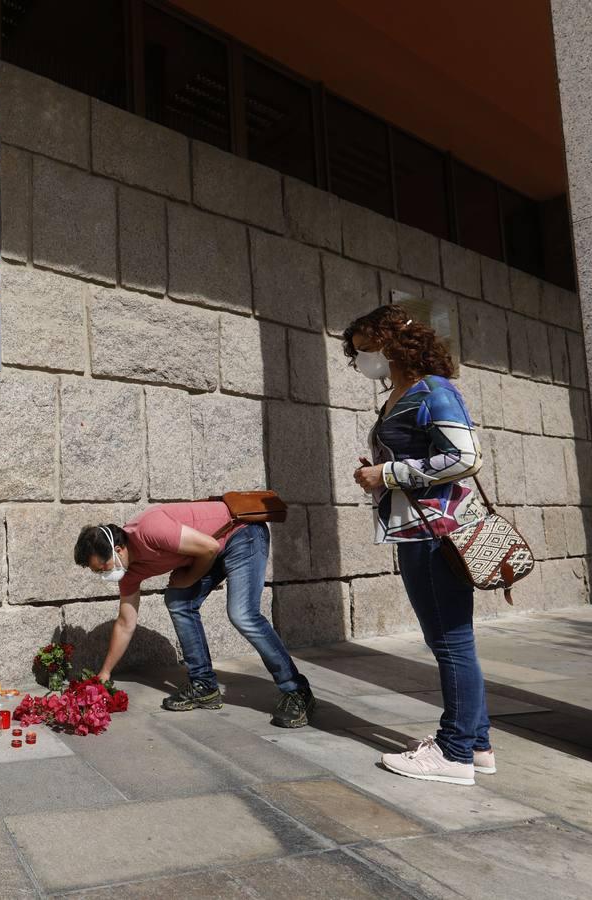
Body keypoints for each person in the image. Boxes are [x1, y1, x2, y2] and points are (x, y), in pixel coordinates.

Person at [344, 304, 493, 786]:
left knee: (450, 643)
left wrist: (385, 473)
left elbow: (465, 457)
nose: (362, 358)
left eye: (367, 347)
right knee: (451, 641)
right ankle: (477, 743)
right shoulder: (403, 393)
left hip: (436, 532)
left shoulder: (433, 390)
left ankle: (453, 754)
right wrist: (381, 473)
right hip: (418, 527)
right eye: (357, 351)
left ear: (393, 344)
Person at [73, 502, 315, 728]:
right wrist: (104, 673)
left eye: (103, 568)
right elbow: (126, 623)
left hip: (241, 533)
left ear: (118, 549)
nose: (105, 575)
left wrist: (188, 578)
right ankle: (205, 686)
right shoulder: (130, 571)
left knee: (242, 613)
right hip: (211, 548)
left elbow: (209, 547)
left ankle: (297, 690)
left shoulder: (149, 528)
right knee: (178, 601)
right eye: (98, 572)